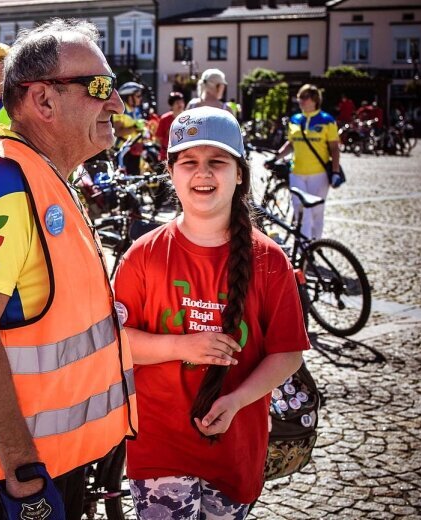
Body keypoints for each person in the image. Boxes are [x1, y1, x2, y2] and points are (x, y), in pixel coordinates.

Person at [0, 19, 138, 519]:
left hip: (56, 453)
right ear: (43, 101)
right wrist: (23, 472)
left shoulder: (46, 173)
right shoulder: (4, 185)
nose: (118, 104)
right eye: (100, 87)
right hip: (18, 468)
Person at [113, 106, 309, 518]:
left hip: (237, 446)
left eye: (217, 162)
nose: (203, 173)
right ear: (171, 173)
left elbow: (288, 352)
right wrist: (183, 345)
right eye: (189, 162)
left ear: (239, 173)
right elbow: (116, 342)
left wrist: (237, 400)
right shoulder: (142, 256)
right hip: (159, 445)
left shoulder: (269, 259)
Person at [271, 84, 341, 239]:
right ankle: (303, 248)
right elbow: (291, 144)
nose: (300, 100)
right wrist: (276, 157)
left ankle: (315, 245)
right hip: (297, 173)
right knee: (301, 212)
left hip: (319, 174)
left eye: (304, 97)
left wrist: (335, 172)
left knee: (317, 212)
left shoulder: (327, 120)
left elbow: (334, 148)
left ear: (315, 99)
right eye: (299, 97)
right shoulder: (295, 120)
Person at [112, 81, 146, 174]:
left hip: (136, 150)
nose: (141, 98)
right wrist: (135, 127)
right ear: (129, 97)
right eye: (138, 96)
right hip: (124, 151)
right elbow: (117, 132)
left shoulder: (136, 109)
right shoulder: (120, 110)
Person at [155, 91, 185, 161]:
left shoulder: (189, 117)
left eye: (181, 102)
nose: (180, 105)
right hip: (166, 155)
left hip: (183, 154)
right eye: (177, 103)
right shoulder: (164, 119)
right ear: (172, 105)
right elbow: (158, 139)